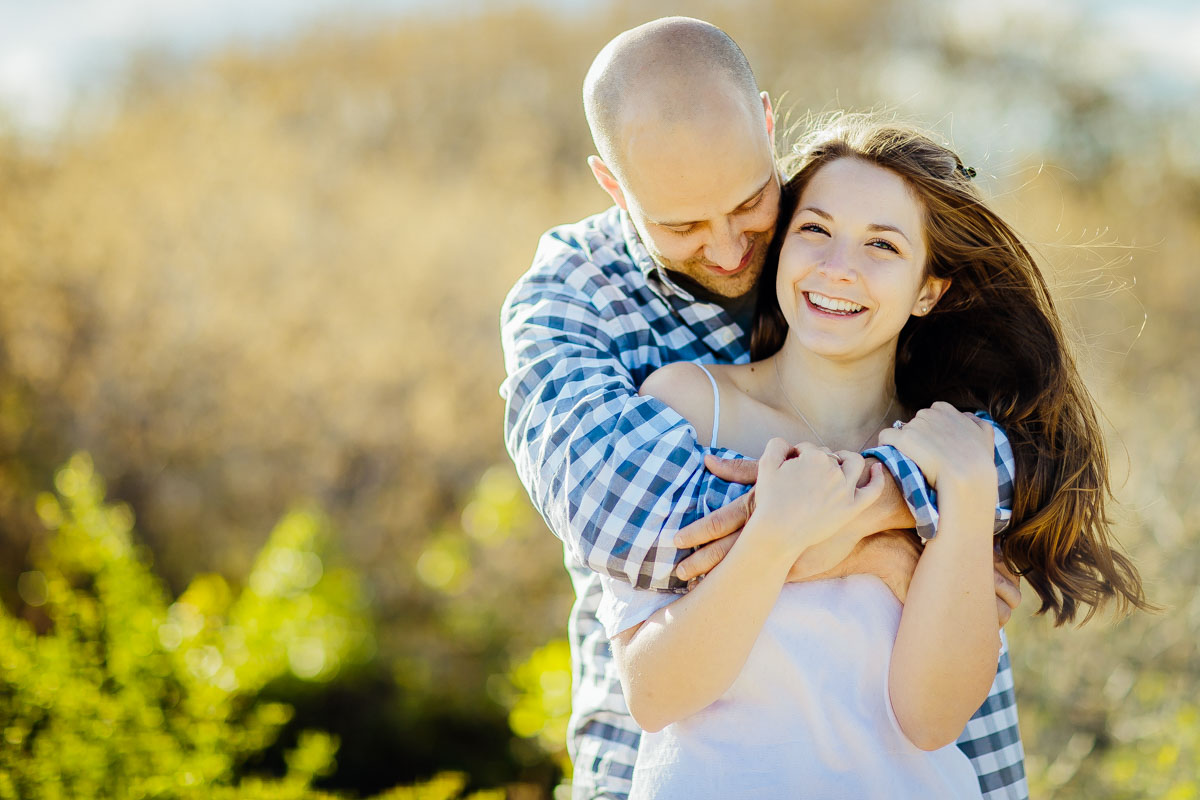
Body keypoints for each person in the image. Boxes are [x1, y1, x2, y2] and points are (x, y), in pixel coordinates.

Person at [500, 17, 1025, 800]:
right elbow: (635, 521)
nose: (727, 249)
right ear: (613, 185)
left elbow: (1037, 463)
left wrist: (960, 488)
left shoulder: (837, 244)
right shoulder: (581, 307)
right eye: (680, 225)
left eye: (750, 204)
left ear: (769, 127)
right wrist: (888, 548)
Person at [598, 115, 1150, 798]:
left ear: (928, 289)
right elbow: (654, 694)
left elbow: (931, 718)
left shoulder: (956, 454)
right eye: (816, 231)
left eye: (882, 246)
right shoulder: (689, 404)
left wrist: (971, 495)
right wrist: (780, 535)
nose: (838, 269)